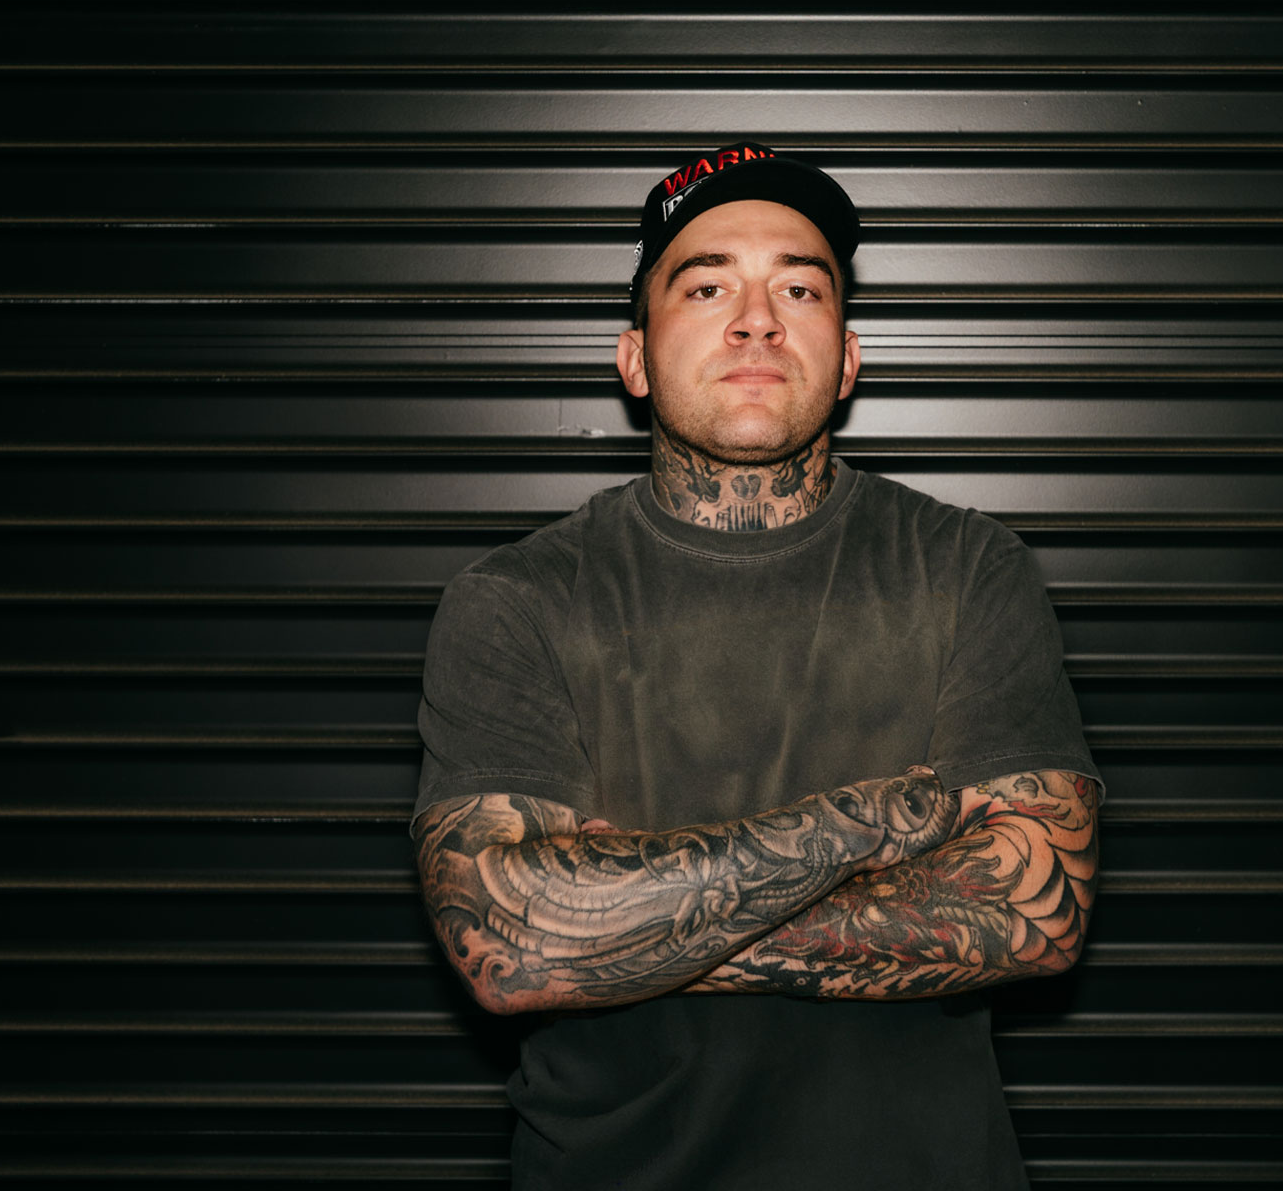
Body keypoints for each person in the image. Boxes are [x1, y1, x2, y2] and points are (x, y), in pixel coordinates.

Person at [411, 140, 1102, 1191]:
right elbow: (512, 945)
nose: (756, 319)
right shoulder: (518, 600)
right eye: (706, 285)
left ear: (848, 357)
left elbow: (1034, 911)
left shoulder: (967, 567)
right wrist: (875, 820)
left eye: (799, 287)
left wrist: (630, 925)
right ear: (634, 358)